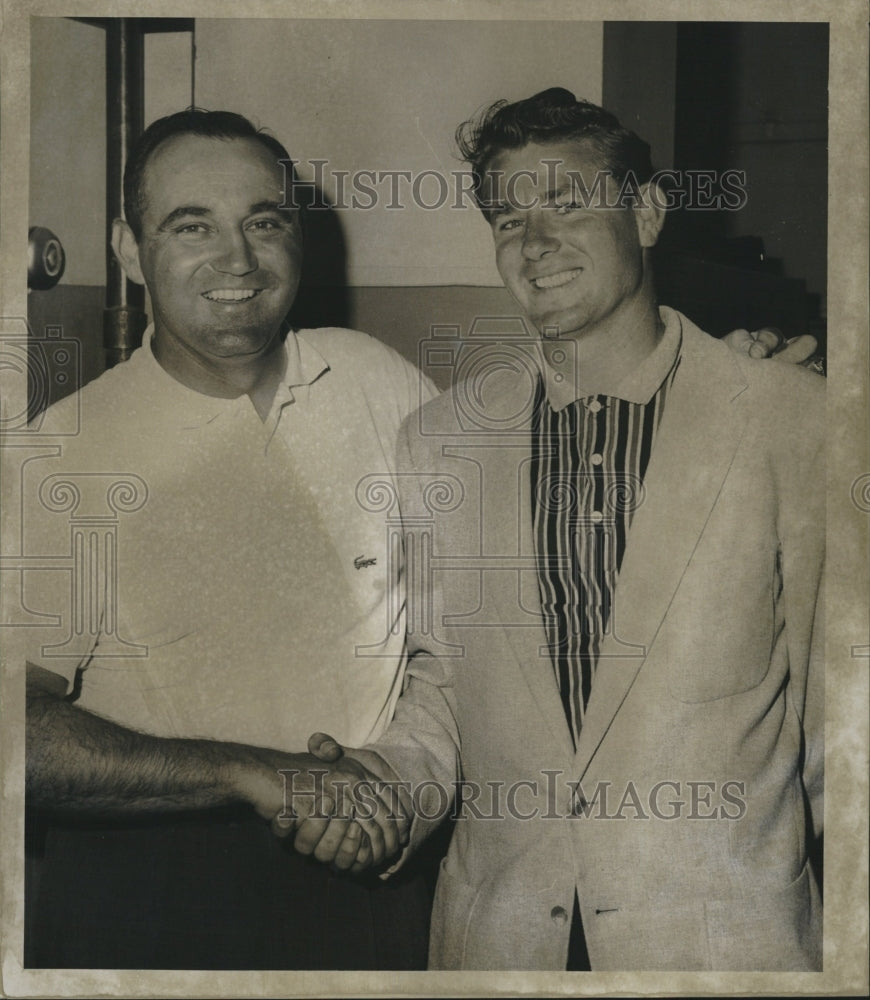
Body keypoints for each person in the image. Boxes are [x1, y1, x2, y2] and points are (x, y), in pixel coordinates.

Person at [304, 89, 825, 972]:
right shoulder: (441, 440)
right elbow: (440, 687)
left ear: (649, 213)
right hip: (503, 944)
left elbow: (844, 719)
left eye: (569, 205)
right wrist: (381, 785)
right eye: (509, 219)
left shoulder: (790, 421)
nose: (534, 243)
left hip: (726, 949)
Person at [22, 109, 436, 970]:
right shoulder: (62, 451)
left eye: (264, 221)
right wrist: (250, 773)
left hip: (380, 866)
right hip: (153, 894)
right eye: (191, 226)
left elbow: (523, 531)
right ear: (128, 251)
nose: (237, 261)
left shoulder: (375, 381)